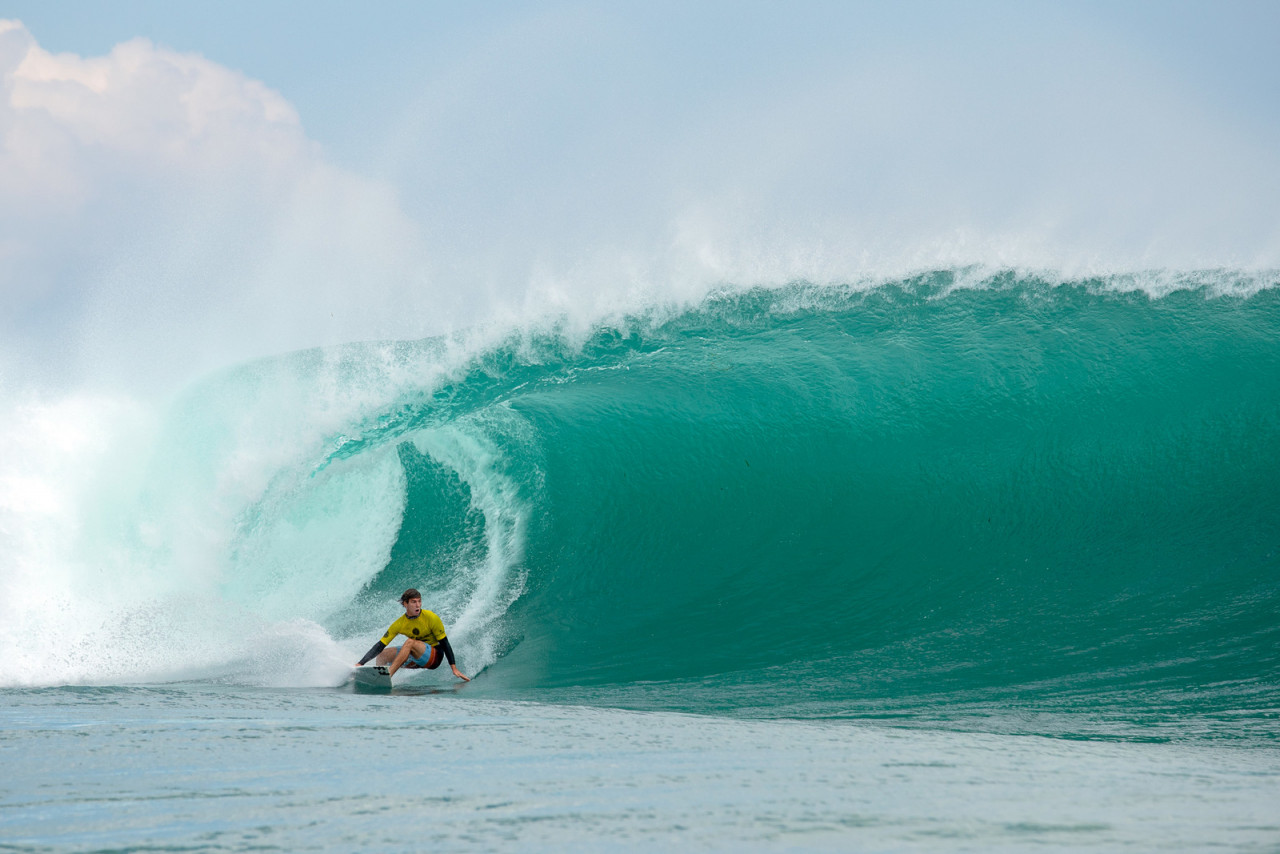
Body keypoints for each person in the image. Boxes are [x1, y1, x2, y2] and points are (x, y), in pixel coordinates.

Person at [355, 588, 470, 681]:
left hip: (434, 656)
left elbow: (445, 643)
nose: (418, 605)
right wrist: (361, 663)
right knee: (382, 654)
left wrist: (453, 668)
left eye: (419, 601)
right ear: (405, 604)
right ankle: (379, 678)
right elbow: (380, 645)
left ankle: (387, 676)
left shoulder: (431, 617)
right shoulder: (399, 624)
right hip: (416, 658)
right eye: (414, 602)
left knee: (410, 642)